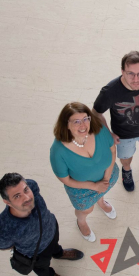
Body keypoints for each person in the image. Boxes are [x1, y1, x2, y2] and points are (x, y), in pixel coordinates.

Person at [0, 173, 84, 276]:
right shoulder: (5, 227)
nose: (27, 198)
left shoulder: (32, 186)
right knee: (41, 267)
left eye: (26, 190)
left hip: (51, 228)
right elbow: (2, 245)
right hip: (36, 252)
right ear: (7, 202)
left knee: (55, 246)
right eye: (17, 196)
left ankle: (59, 253)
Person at [93, 51, 139, 191]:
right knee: (126, 157)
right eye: (130, 73)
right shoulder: (110, 92)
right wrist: (108, 134)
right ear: (122, 72)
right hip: (124, 135)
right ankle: (126, 170)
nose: (136, 79)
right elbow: (96, 113)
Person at [50, 102, 119, 242]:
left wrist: (105, 180)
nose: (83, 125)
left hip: (107, 176)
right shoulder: (58, 151)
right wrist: (94, 186)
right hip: (81, 189)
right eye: (76, 121)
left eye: (85, 119)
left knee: (103, 191)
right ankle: (81, 222)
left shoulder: (99, 129)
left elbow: (112, 151)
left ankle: (101, 201)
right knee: (86, 209)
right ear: (66, 124)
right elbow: (65, 179)